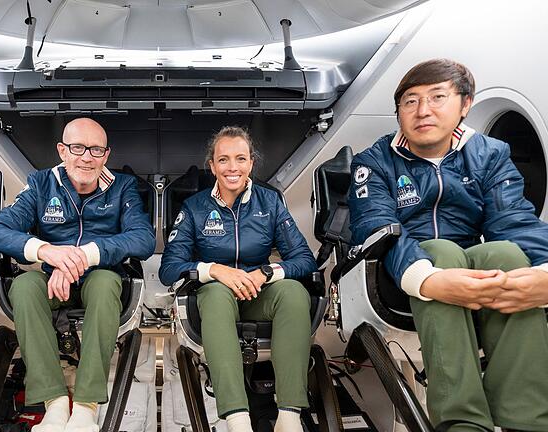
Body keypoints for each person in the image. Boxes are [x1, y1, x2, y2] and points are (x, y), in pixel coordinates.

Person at [348, 58, 548, 431]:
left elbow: (514, 222)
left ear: (465, 104)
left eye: (437, 97)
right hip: (400, 271)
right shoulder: (374, 162)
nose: (423, 110)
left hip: (471, 265)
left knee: (504, 253)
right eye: (410, 101)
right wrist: (429, 279)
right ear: (399, 112)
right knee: (440, 253)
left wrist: (544, 276)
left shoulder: (489, 154)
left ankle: (527, 418)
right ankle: (462, 422)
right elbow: (376, 226)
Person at [0, 117, 155, 432]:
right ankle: (55, 405)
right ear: (62, 150)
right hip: (51, 283)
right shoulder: (40, 184)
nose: (87, 157)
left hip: (100, 277)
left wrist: (82, 256)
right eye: (78, 148)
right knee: (25, 285)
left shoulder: (123, 188)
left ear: (106, 155)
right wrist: (48, 252)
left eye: (96, 150)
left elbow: (142, 239)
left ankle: (85, 409)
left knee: (104, 282)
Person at [159, 126, 317, 432]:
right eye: (224, 159)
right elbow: (170, 267)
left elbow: (303, 259)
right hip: (214, 298)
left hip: (259, 294)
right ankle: (237, 419)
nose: (233, 167)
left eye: (240, 159)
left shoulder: (270, 203)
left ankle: (288, 417)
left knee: (293, 292)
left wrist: (267, 272)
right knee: (216, 293)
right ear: (212, 165)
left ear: (251, 164)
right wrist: (215, 270)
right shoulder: (194, 208)